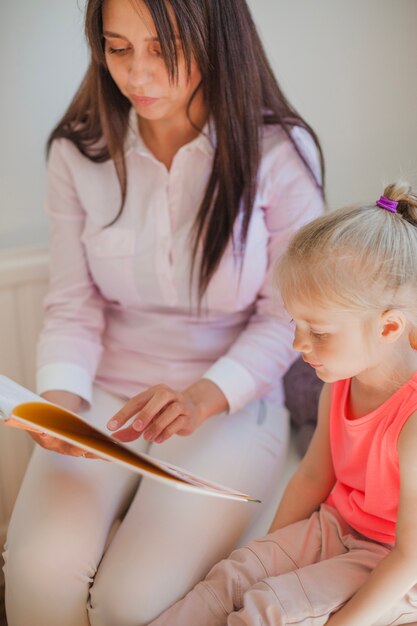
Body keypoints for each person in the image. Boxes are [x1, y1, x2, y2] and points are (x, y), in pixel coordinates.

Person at [2, 1, 324, 625]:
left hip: (227, 399)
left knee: (131, 604)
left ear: (216, 40)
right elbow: (74, 301)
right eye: (117, 48)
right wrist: (62, 399)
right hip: (104, 392)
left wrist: (204, 396)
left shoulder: (279, 150)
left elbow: (288, 315)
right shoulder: (79, 151)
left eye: (163, 49)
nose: (138, 75)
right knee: (38, 581)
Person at [147, 182, 417, 626]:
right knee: (233, 577)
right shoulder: (341, 385)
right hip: (339, 528)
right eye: (296, 323)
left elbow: (409, 556)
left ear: (388, 328)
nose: (298, 343)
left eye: (319, 332)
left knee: (268, 608)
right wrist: (269, 557)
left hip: (394, 561)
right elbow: (312, 476)